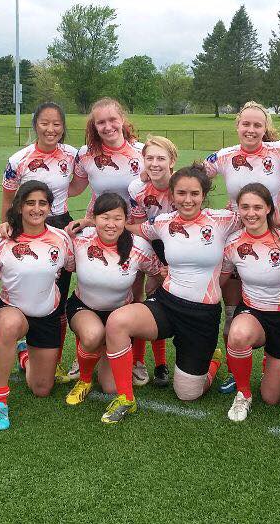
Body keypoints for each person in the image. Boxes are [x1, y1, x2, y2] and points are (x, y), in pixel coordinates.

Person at [98, 164, 242, 423]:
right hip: (166, 304)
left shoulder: (222, 220)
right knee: (117, 321)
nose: (187, 200)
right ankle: (125, 399)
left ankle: (212, 361)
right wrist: (90, 223)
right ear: (172, 195)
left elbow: (258, 217)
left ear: (203, 194)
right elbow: (132, 228)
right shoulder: (163, 222)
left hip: (201, 314)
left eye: (194, 194)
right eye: (181, 193)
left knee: (187, 394)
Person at [203, 101, 280, 391]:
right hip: (234, 239)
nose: (251, 129)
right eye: (245, 124)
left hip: (273, 235)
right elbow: (197, 175)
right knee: (233, 307)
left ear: (266, 129)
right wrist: (152, 177)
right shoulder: (224, 156)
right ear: (237, 126)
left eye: (257, 125)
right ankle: (235, 369)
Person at [0, 102, 81, 385]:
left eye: (57, 124)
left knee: (55, 296)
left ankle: (49, 361)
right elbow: (9, 199)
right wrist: (8, 225)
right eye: (45, 123)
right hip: (24, 226)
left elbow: (80, 182)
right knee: (17, 288)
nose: (51, 129)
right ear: (35, 124)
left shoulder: (72, 155)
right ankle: (5, 351)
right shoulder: (18, 159)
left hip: (58, 225)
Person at [0, 181, 74, 430]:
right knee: (12, 324)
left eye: (42, 203)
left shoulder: (61, 238)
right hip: (10, 310)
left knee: (42, 389)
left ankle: (24, 355)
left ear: (49, 207)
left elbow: (71, 266)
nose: (36, 209)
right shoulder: (2, 240)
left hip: (46, 315)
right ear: (19, 207)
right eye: (30, 203)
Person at [64, 193, 162, 406]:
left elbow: (158, 272)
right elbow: (62, 259)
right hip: (84, 307)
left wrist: (148, 296)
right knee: (92, 335)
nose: (111, 224)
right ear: (94, 218)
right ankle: (84, 379)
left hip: (118, 317)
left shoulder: (138, 247)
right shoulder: (80, 239)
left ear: (126, 220)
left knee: (111, 387)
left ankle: (98, 353)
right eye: (105, 217)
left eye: (117, 218)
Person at [220, 183, 280, 422]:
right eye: (245, 207)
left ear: (269, 208)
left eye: (257, 207)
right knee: (236, 334)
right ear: (238, 209)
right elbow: (221, 279)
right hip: (253, 312)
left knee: (272, 397)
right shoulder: (233, 242)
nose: (251, 213)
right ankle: (243, 393)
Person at [126, 135, 179, 387]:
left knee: (167, 301)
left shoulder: (181, 184)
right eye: (149, 158)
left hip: (178, 246)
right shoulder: (137, 188)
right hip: (148, 243)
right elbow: (136, 226)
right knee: (142, 300)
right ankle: (138, 361)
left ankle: (161, 362)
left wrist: (168, 265)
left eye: (161, 158)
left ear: (172, 162)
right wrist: (154, 265)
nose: (155, 163)